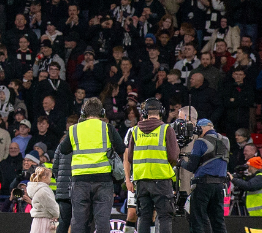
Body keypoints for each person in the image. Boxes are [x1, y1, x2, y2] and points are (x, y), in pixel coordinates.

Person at [59, 98, 126, 233]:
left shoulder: (74, 129)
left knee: (79, 221)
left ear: (83, 113)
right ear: (102, 112)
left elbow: (63, 149)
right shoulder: (107, 128)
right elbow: (121, 148)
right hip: (103, 181)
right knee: (102, 222)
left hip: (79, 181)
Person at [124, 99, 179, 233]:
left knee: (143, 217)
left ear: (144, 113)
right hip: (161, 179)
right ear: (161, 112)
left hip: (141, 181)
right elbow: (173, 157)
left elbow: (130, 157)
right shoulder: (166, 129)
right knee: (164, 216)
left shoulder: (135, 131)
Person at [183, 118, 230, 233]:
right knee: (218, 221)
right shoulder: (226, 141)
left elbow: (191, 166)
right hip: (220, 185)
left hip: (203, 185)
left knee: (197, 219)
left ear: (202, 128)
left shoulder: (200, 142)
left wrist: (181, 162)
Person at [26, 166, 59, 233]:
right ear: (44, 178)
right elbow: (50, 205)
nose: (50, 179)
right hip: (44, 221)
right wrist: (57, 214)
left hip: (38, 220)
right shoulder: (43, 191)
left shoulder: (38, 189)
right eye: (49, 177)